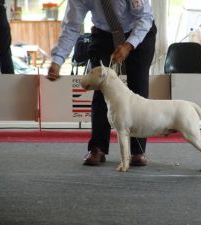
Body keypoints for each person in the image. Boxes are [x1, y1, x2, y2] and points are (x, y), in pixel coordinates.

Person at [47, 0, 157, 166]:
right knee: (101, 89)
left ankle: (137, 150)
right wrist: (57, 60)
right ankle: (97, 148)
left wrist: (128, 45)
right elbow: (71, 26)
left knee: (138, 88)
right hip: (104, 34)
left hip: (138, 32)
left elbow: (145, 17)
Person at [0, 0, 14, 74]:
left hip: (0, 12)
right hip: (0, 11)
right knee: (5, 55)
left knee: (5, 54)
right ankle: (10, 83)